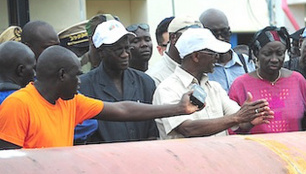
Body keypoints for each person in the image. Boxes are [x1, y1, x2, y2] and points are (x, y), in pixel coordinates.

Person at [0, 46, 199, 150]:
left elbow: (123, 109)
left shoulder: (71, 102)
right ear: (61, 75)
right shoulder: (18, 105)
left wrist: (178, 108)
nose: (80, 81)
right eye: (76, 75)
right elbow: (10, 165)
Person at [152, 27, 272, 139]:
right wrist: (237, 117)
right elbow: (188, 128)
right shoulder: (168, 89)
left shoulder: (214, 88)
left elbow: (239, 122)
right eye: (212, 53)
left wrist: (250, 119)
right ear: (196, 56)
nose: (217, 57)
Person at [79, 20, 159, 143]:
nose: (125, 54)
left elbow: (152, 130)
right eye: (118, 50)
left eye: (127, 48)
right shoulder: (85, 86)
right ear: (101, 52)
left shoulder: (145, 82)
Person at [229, 26, 306, 134]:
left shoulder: (298, 81)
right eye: (268, 54)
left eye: (280, 53)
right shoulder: (240, 85)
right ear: (257, 53)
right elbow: (231, 128)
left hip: (293, 148)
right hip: (255, 149)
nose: (274, 59)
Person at [199, 8, 253, 92]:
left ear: (229, 32)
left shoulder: (246, 62)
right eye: (214, 33)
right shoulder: (201, 68)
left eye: (224, 32)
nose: (220, 38)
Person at [147, 15, 202, 85]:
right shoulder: (154, 77)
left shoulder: (201, 68)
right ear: (173, 38)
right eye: (190, 38)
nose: (196, 44)